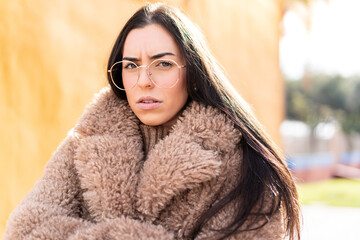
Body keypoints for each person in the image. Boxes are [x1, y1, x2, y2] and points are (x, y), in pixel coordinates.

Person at [4, 3, 301, 240]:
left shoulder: (244, 166)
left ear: (193, 71)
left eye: (163, 64)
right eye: (131, 65)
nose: (144, 81)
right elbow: (24, 230)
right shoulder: (85, 144)